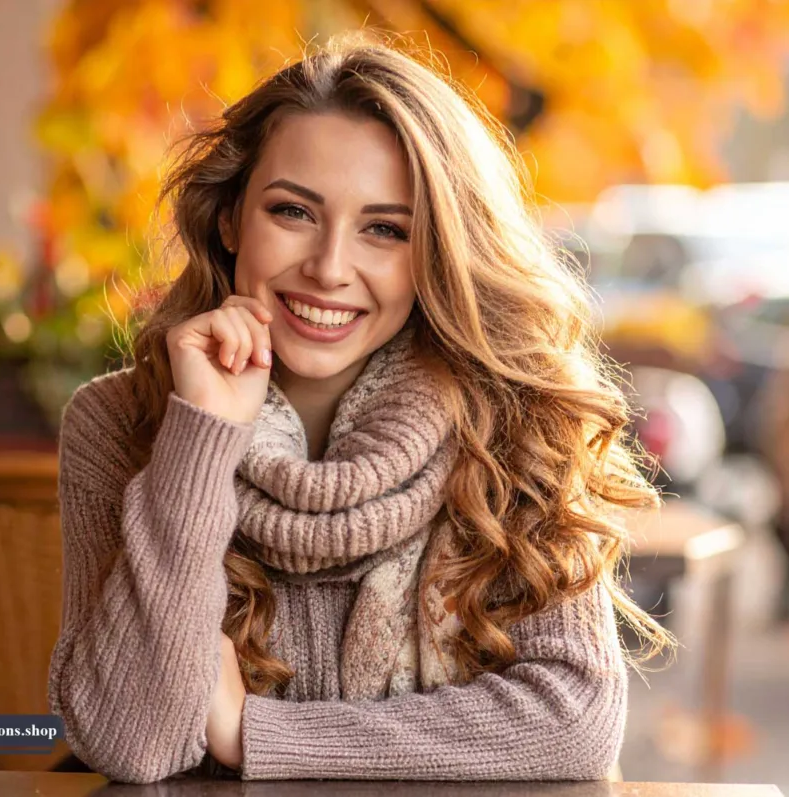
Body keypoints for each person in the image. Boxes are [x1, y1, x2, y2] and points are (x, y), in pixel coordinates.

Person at [47, 32, 673, 785]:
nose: (329, 268)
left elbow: (573, 722)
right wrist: (200, 440)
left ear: (435, 250)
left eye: (385, 229)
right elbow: (130, 742)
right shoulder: (119, 422)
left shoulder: (519, 418)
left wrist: (258, 735)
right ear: (230, 218)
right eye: (293, 212)